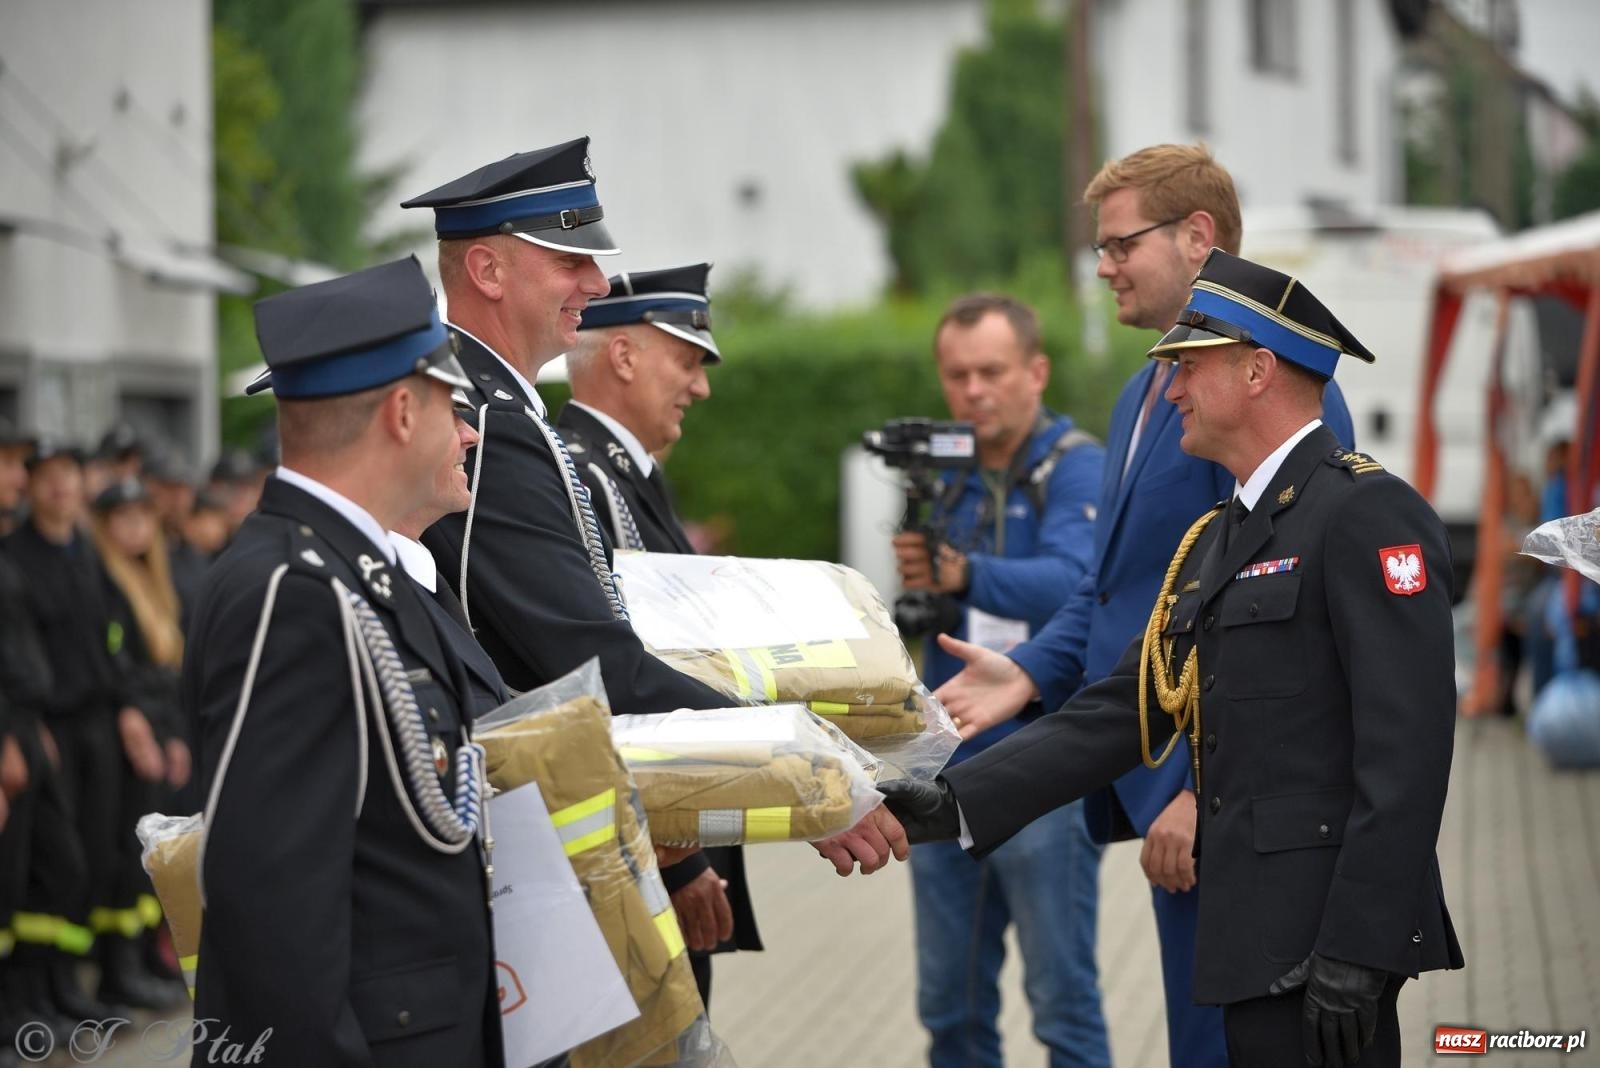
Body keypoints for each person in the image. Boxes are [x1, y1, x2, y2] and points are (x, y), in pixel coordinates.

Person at [883, 249, 1463, 1068]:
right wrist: (947, 802)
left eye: (1190, 367)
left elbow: (1408, 755)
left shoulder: (1366, 513)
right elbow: (1125, 707)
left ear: (1258, 371)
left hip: (1328, 942)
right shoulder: (1214, 538)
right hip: (1246, 934)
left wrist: (1363, 948)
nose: (1173, 388)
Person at [933, 143, 1356, 1068]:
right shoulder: (1143, 392)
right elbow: (1118, 587)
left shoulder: (1268, 382)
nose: (1104, 267)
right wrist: (1030, 672)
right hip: (1162, 782)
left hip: (1228, 803)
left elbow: (1284, 619)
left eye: (1121, 244)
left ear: (1198, 237)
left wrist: (1203, 794)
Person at [404, 138, 903, 886]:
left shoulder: (504, 408)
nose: (598, 283)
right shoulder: (490, 420)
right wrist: (804, 762)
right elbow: (588, 661)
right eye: (570, 261)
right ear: (487, 270)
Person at [187, 256, 503, 1065]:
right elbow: (271, 912)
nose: (466, 430)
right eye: (451, 404)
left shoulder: (349, 574)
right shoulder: (293, 592)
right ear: (402, 410)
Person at [886, 294, 1107, 1067]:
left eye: (992, 371)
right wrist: (929, 585)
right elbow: (937, 607)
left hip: (1047, 771)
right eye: (957, 375)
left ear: (1036, 372)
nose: (973, 391)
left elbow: (1079, 583)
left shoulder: (1077, 466)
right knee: (950, 1010)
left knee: (1063, 1007)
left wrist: (966, 573)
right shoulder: (944, 475)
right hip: (945, 771)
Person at [559, 263, 761, 1010]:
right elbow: (609, 678)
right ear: (623, 355)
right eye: (687, 361)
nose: (699, 387)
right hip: (641, 852)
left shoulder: (625, 476)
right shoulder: (584, 479)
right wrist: (677, 859)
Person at [3, 439, 154, 1022]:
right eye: (46, 474)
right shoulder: (16, 555)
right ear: (31, 486)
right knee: (49, 862)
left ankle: (68, 985)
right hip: (49, 726)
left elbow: (111, 638)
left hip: (98, 721)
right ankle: (34, 991)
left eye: (69, 472)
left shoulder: (86, 554)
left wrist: (126, 706)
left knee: (92, 856)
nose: (60, 484)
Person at [88, 478, 192, 1007]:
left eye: (142, 516)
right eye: (122, 517)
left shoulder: (153, 580)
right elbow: (118, 668)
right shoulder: (104, 580)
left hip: (159, 727)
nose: (135, 528)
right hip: (123, 736)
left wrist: (172, 734)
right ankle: (118, 969)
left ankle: (145, 957)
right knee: (124, 851)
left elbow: (163, 670)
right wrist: (144, 726)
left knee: (151, 851)